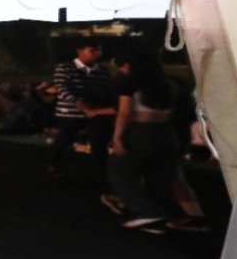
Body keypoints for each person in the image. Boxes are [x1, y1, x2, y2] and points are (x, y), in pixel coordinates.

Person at [107, 52, 186, 233]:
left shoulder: (130, 83)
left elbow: (124, 113)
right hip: (166, 132)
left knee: (120, 173)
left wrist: (117, 137)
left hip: (140, 131)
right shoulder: (170, 84)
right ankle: (173, 216)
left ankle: (147, 213)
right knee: (158, 178)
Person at [49, 39, 116, 187]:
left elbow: (108, 90)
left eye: (98, 50)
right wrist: (79, 104)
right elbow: (62, 88)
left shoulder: (102, 71)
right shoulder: (65, 68)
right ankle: (54, 162)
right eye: (92, 50)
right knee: (65, 138)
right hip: (70, 112)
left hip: (94, 112)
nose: (96, 54)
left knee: (98, 141)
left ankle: (100, 172)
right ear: (80, 51)